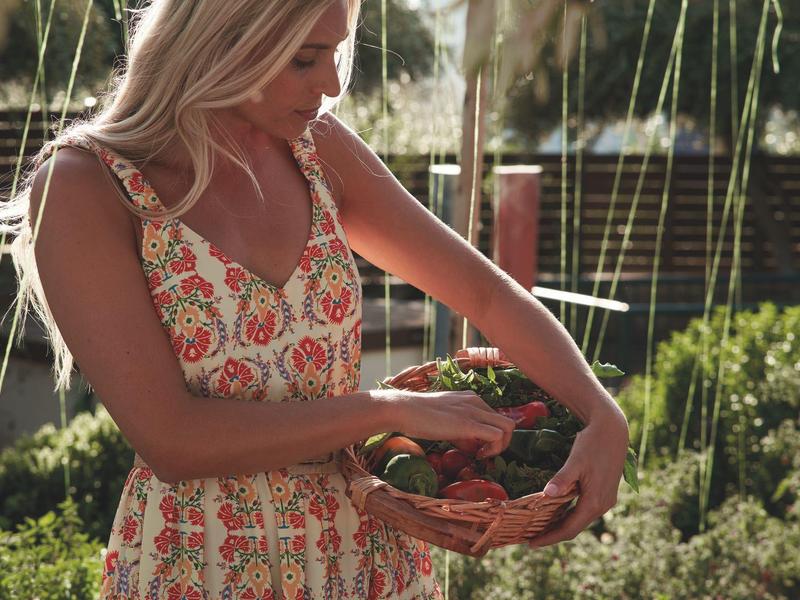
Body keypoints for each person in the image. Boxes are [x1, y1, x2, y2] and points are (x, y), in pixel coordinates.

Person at [0, 0, 630, 598]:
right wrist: (389, 409)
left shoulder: (317, 149)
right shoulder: (87, 186)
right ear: (221, 40)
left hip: (370, 558)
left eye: (336, 52)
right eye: (305, 58)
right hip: (205, 560)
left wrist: (602, 416)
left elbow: (487, 296)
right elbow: (173, 440)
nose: (331, 84)